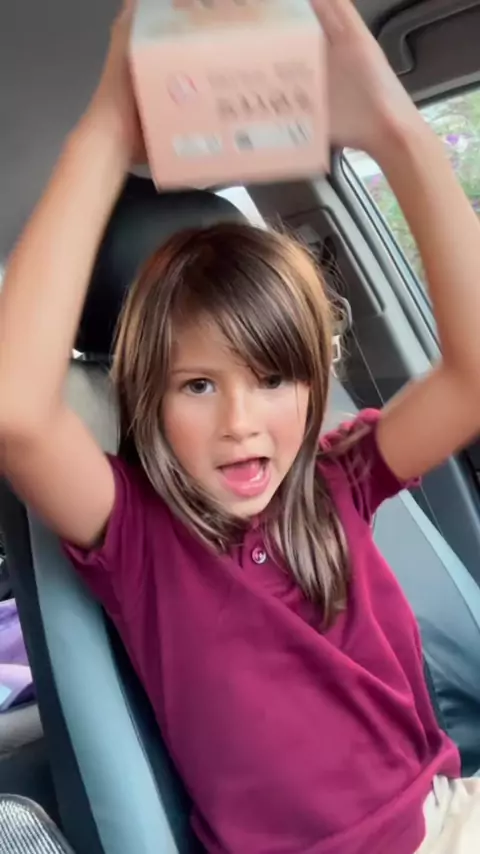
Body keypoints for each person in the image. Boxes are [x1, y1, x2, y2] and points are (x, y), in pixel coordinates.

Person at [1, 0, 480, 851]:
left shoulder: (341, 475)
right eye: (197, 385)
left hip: (444, 821)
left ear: (313, 381)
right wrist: (107, 129)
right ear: (147, 398)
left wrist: (397, 133)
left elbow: (472, 379)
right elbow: (15, 414)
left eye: (272, 378)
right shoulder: (135, 532)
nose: (240, 423)